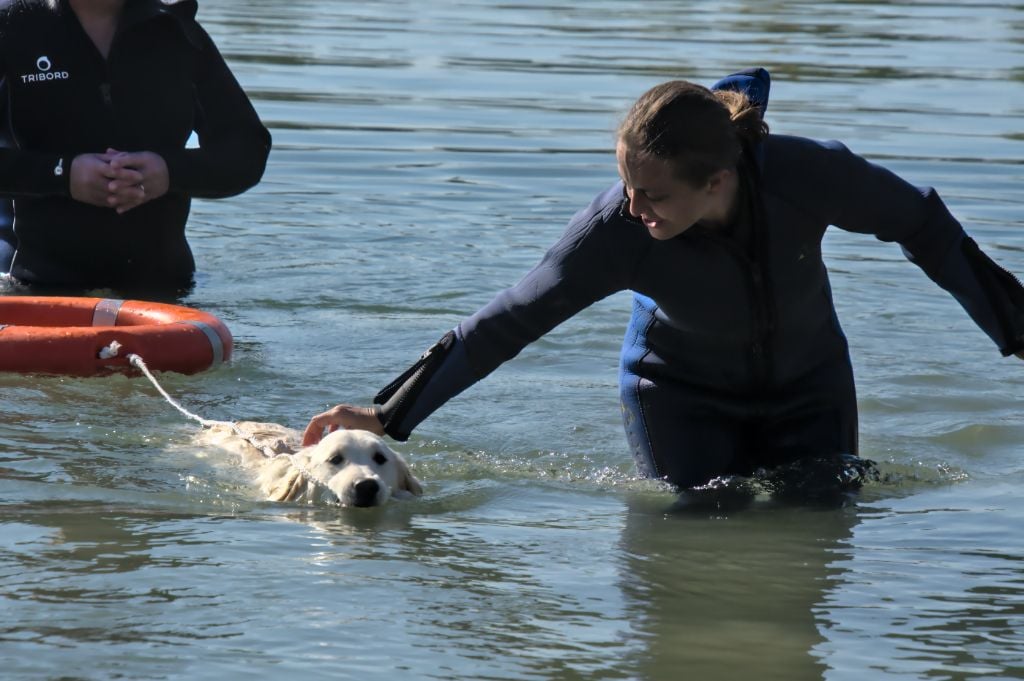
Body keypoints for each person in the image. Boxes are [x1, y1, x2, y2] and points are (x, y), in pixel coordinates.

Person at [302, 68, 1024, 492]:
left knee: (825, 513)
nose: (632, 207)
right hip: (681, 399)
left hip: (811, 388)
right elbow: (506, 324)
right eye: (625, 185)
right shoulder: (616, 230)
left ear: (716, 181)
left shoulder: (810, 176)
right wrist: (387, 416)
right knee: (709, 521)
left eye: (653, 195)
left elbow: (925, 226)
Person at [0, 0, 271, 292]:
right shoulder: (11, 25)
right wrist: (62, 175)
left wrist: (168, 173)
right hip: (29, 285)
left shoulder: (175, 29)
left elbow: (247, 150)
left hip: (166, 290)